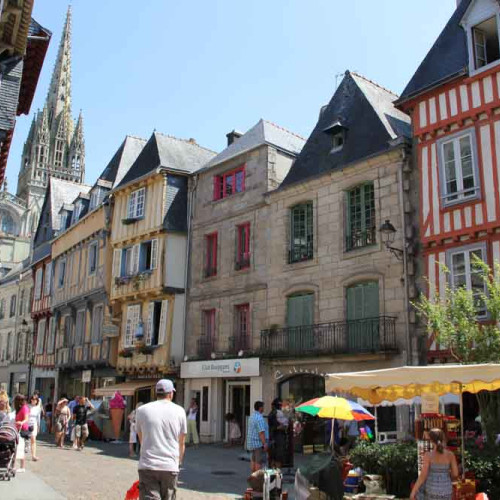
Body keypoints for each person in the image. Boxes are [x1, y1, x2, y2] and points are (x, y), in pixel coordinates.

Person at [135, 379, 187, 500]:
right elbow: (182, 442)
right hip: (169, 466)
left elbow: (141, 438)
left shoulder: (142, 410)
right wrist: (178, 463)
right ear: (171, 393)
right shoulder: (180, 411)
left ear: (156, 393)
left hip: (148, 465)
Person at [410, 428, 459, 500]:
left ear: (431, 440)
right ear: (443, 438)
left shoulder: (428, 455)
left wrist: (413, 492)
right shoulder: (450, 455)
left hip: (431, 490)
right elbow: (455, 474)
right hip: (446, 490)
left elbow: (423, 476)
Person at [247, 401, 269, 472]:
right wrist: (264, 443)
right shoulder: (259, 418)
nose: (264, 408)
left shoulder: (252, 416)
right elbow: (261, 432)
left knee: (253, 460)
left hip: (251, 442)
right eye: (263, 407)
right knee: (258, 461)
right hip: (258, 443)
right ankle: (257, 478)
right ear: (260, 408)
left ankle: (253, 476)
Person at [268, 398, 287, 468]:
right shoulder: (278, 413)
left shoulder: (271, 413)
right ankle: (277, 474)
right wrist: (282, 426)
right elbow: (282, 426)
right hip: (278, 437)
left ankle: (272, 473)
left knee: (272, 456)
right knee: (278, 457)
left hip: (272, 437)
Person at [14, 394, 30, 473]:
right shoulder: (19, 408)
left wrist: (21, 422)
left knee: (21, 448)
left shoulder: (24, 408)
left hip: (22, 430)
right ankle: (16, 465)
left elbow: (26, 418)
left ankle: (22, 467)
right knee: (17, 447)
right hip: (17, 429)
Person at [28, 394, 42, 461]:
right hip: (27, 424)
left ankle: (33, 456)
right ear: (30, 400)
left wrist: (39, 426)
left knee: (33, 439)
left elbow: (38, 418)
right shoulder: (27, 406)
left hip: (34, 425)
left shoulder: (38, 408)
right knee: (25, 440)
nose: (33, 400)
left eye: (35, 399)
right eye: (32, 399)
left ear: (37, 401)